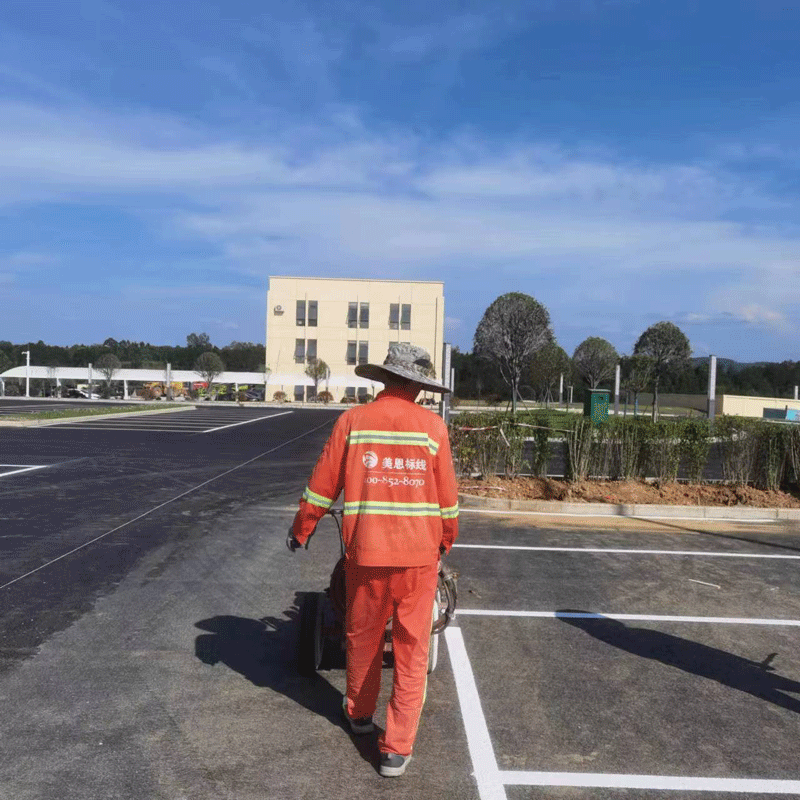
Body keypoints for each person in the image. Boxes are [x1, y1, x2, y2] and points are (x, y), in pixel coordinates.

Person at [287, 342, 459, 777]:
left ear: (384, 378)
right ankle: (395, 750)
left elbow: (322, 486)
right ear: (417, 385)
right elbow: (448, 503)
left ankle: (359, 716)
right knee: (411, 648)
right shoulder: (432, 428)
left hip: (366, 554)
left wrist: (302, 528)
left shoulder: (353, 422)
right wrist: (444, 544)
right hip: (418, 559)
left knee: (361, 638)